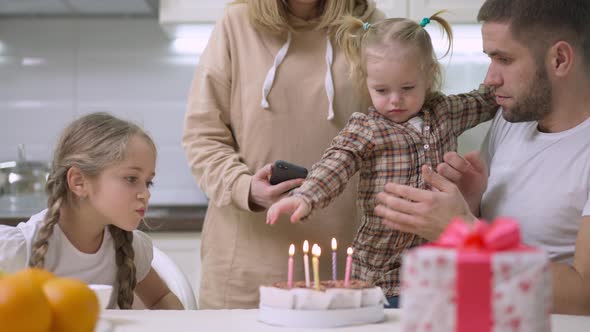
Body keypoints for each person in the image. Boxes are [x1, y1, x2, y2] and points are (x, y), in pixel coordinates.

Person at [266, 12, 498, 308]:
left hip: (439, 271)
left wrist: (504, 77)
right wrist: (306, 196)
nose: (395, 100)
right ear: (366, 83)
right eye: (382, 90)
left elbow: (484, 101)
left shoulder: (444, 112)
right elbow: (337, 161)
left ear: (428, 77)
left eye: (407, 88)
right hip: (381, 273)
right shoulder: (367, 128)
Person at [374, 0, 590, 315]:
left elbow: (583, 293)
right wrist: (472, 203)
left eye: (504, 59)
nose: (490, 79)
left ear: (559, 59)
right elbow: (496, 239)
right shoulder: (512, 120)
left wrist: (460, 231)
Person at [182, 0, 384, 309]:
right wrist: (244, 187)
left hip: (347, 265)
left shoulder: (369, 25)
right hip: (244, 267)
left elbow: (398, 123)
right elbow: (202, 135)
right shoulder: (236, 25)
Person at [0, 113, 183, 310]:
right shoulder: (17, 249)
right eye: (131, 179)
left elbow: (160, 298)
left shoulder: (130, 247)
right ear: (79, 182)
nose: (146, 194)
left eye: (149, 182)